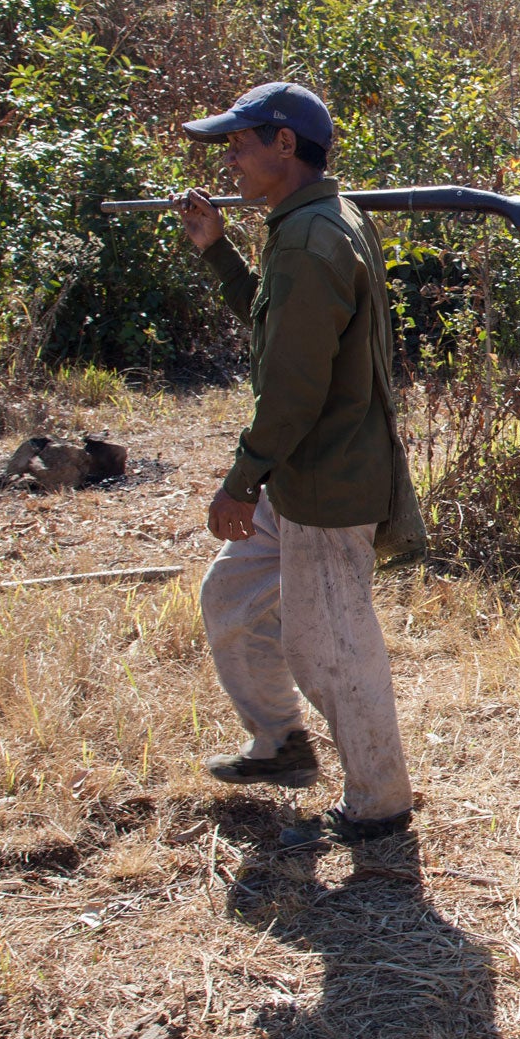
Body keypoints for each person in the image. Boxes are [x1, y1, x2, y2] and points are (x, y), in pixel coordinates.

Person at [171, 81, 414, 848]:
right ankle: (281, 744)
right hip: (302, 471)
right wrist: (216, 251)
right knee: (234, 599)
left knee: (331, 647)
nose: (230, 157)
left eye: (242, 142)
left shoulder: (312, 240)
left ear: (286, 146)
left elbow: (293, 388)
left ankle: (380, 803)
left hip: (327, 479)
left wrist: (240, 481)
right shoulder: (303, 227)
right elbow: (279, 330)